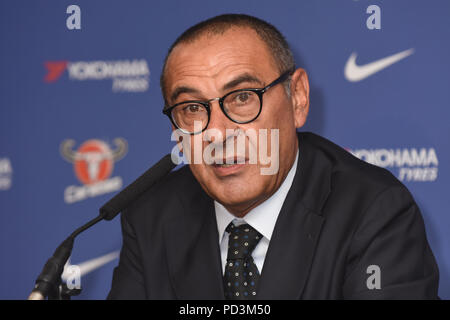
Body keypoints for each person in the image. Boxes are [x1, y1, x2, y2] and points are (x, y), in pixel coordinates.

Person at [107, 14, 439, 299]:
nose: (217, 134)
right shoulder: (151, 216)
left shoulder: (374, 212)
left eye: (241, 98)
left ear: (298, 98)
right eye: (192, 108)